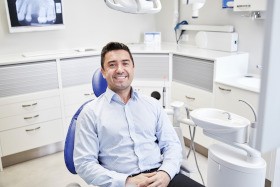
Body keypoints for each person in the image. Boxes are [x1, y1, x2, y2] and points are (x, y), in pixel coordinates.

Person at [73, 42, 204, 187]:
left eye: (125, 63)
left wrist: (166, 172)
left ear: (133, 68)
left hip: (160, 176)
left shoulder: (152, 105)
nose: (120, 69)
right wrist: (128, 182)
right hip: (121, 182)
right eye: (112, 65)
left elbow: (172, 144)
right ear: (103, 72)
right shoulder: (90, 113)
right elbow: (84, 164)